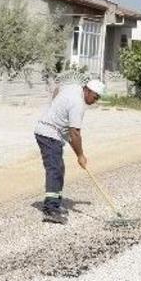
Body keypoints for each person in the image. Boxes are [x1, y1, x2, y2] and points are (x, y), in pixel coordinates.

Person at [34, 79, 106, 224]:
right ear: (88, 90)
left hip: (51, 132)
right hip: (48, 133)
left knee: (59, 169)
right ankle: (50, 209)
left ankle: (55, 202)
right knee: (55, 170)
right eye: (95, 97)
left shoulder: (74, 88)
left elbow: (58, 88)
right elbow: (75, 134)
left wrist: (54, 107)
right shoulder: (77, 104)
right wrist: (80, 155)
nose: (95, 101)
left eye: (98, 98)